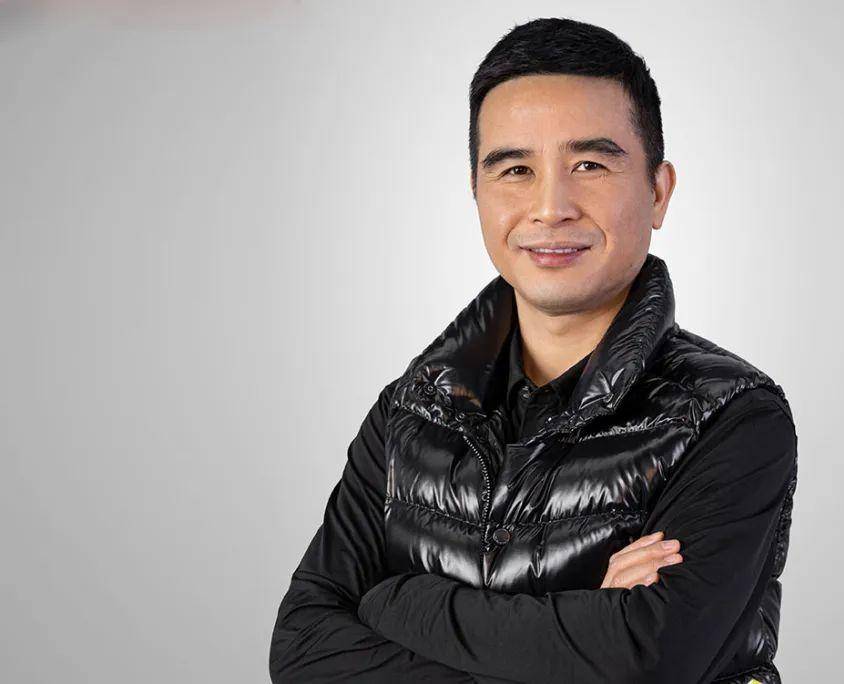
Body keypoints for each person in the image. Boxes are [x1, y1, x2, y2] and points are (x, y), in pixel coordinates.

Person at [270, 17, 798, 684]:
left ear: (658, 192)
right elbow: (301, 649)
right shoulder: (411, 414)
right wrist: (579, 636)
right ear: (476, 192)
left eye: (589, 165)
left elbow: (648, 661)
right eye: (516, 169)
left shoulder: (730, 416)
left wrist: (400, 602)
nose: (551, 207)